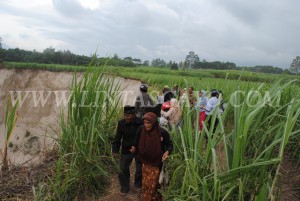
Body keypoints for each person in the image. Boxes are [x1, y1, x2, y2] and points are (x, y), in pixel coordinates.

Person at [131, 112, 173, 201]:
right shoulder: (141, 130)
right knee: (146, 184)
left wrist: (167, 151)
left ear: (154, 123)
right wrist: (134, 148)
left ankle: (154, 198)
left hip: (156, 163)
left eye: (148, 123)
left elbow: (169, 144)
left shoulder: (162, 132)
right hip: (145, 162)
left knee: (154, 184)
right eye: (145, 122)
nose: (146, 125)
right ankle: (147, 198)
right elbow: (136, 140)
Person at [111, 105, 143, 195]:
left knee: (139, 169)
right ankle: (125, 188)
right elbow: (117, 137)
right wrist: (115, 150)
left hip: (139, 149)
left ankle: (138, 185)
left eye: (128, 116)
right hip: (126, 149)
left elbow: (144, 137)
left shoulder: (141, 122)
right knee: (123, 168)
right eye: (125, 115)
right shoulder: (121, 123)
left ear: (134, 115)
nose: (126, 117)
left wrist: (137, 147)